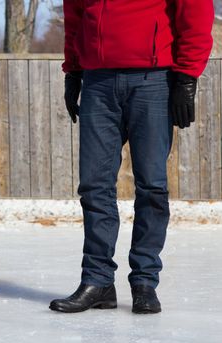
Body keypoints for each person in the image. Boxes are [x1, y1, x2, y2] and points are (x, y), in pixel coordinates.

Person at [50, 1, 214, 314]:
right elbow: (74, 15)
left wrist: (186, 76)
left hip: (153, 81)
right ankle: (98, 281)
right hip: (98, 82)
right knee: (94, 186)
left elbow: (194, 12)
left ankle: (144, 282)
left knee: (152, 185)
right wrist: (72, 70)